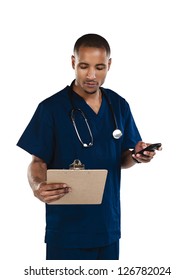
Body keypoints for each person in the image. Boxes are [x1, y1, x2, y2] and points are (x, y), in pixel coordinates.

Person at [17, 33, 161, 260]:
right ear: (73, 62)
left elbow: (122, 158)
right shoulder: (51, 108)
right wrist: (37, 185)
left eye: (100, 67)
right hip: (66, 230)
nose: (92, 75)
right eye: (84, 66)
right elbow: (37, 162)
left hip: (107, 227)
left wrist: (136, 156)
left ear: (109, 65)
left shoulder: (119, 105)